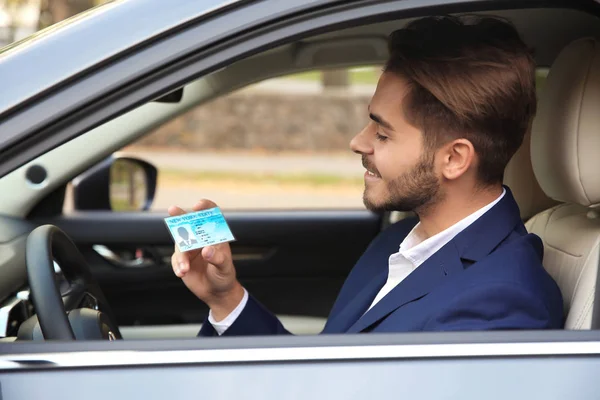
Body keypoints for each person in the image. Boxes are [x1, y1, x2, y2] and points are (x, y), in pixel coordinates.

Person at [169, 15, 564, 336]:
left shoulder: (502, 305)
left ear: (455, 159)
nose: (359, 142)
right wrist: (226, 300)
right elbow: (322, 379)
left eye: (383, 132)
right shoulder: (397, 241)